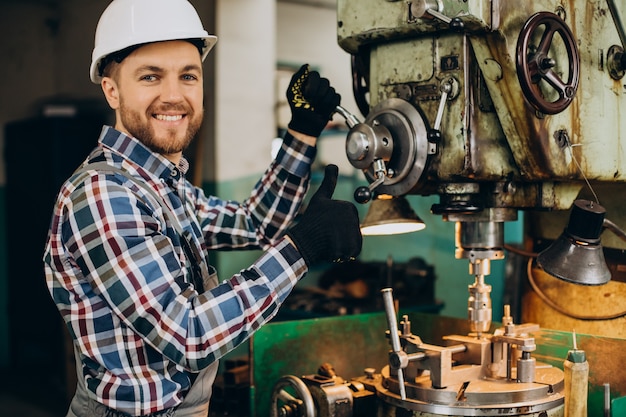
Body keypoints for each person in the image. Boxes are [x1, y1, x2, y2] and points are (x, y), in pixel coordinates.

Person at [43, 0, 362, 416]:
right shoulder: (104, 194)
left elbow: (256, 223)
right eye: (150, 76)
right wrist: (303, 246)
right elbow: (188, 334)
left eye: (188, 76)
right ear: (112, 89)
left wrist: (301, 132)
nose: (174, 96)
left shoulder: (162, 185)